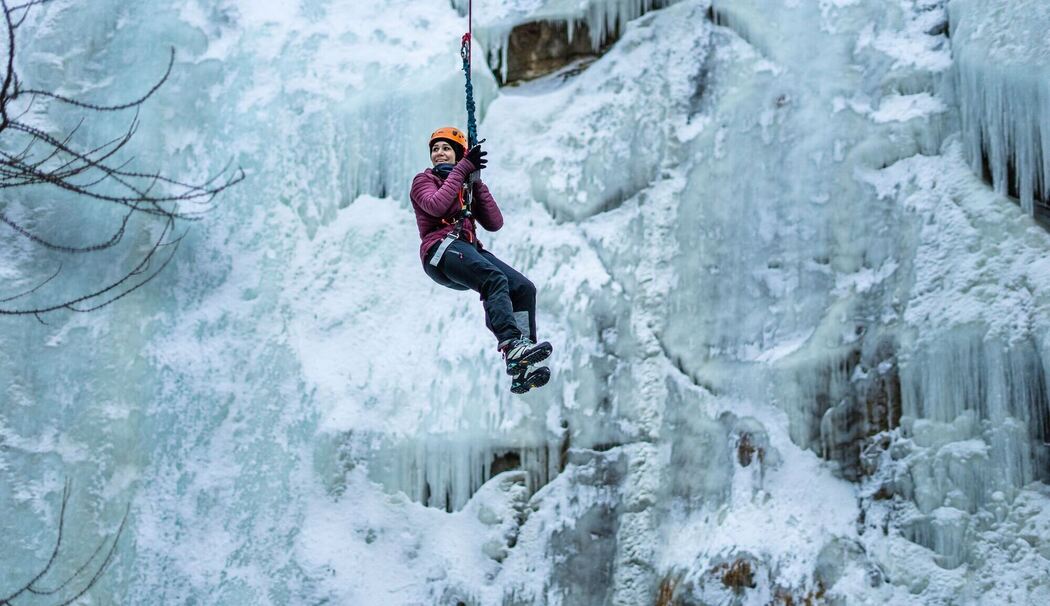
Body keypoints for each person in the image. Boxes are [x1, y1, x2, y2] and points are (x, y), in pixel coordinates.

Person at [410, 126, 552, 394]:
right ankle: (511, 345)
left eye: (445, 149)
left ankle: (522, 362)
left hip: (466, 247)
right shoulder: (423, 180)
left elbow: (494, 223)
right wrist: (463, 169)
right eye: (435, 149)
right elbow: (436, 206)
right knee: (493, 278)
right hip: (439, 248)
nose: (439, 153)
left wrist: (475, 182)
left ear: (458, 153)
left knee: (523, 288)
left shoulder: (466, 184)